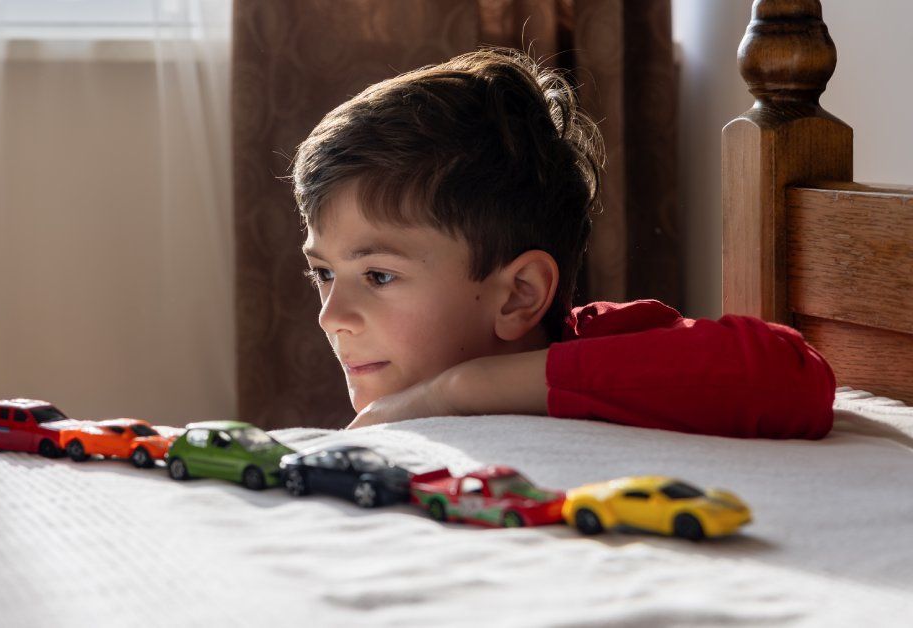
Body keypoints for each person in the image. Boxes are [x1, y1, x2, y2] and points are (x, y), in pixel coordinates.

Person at [290, 49, 835, 438]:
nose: (331, 316)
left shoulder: (603, 345)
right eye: (324, 273)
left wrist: (460, 390)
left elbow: (789, 376)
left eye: (378, 276)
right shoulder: (389, 427)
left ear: (520, 295)